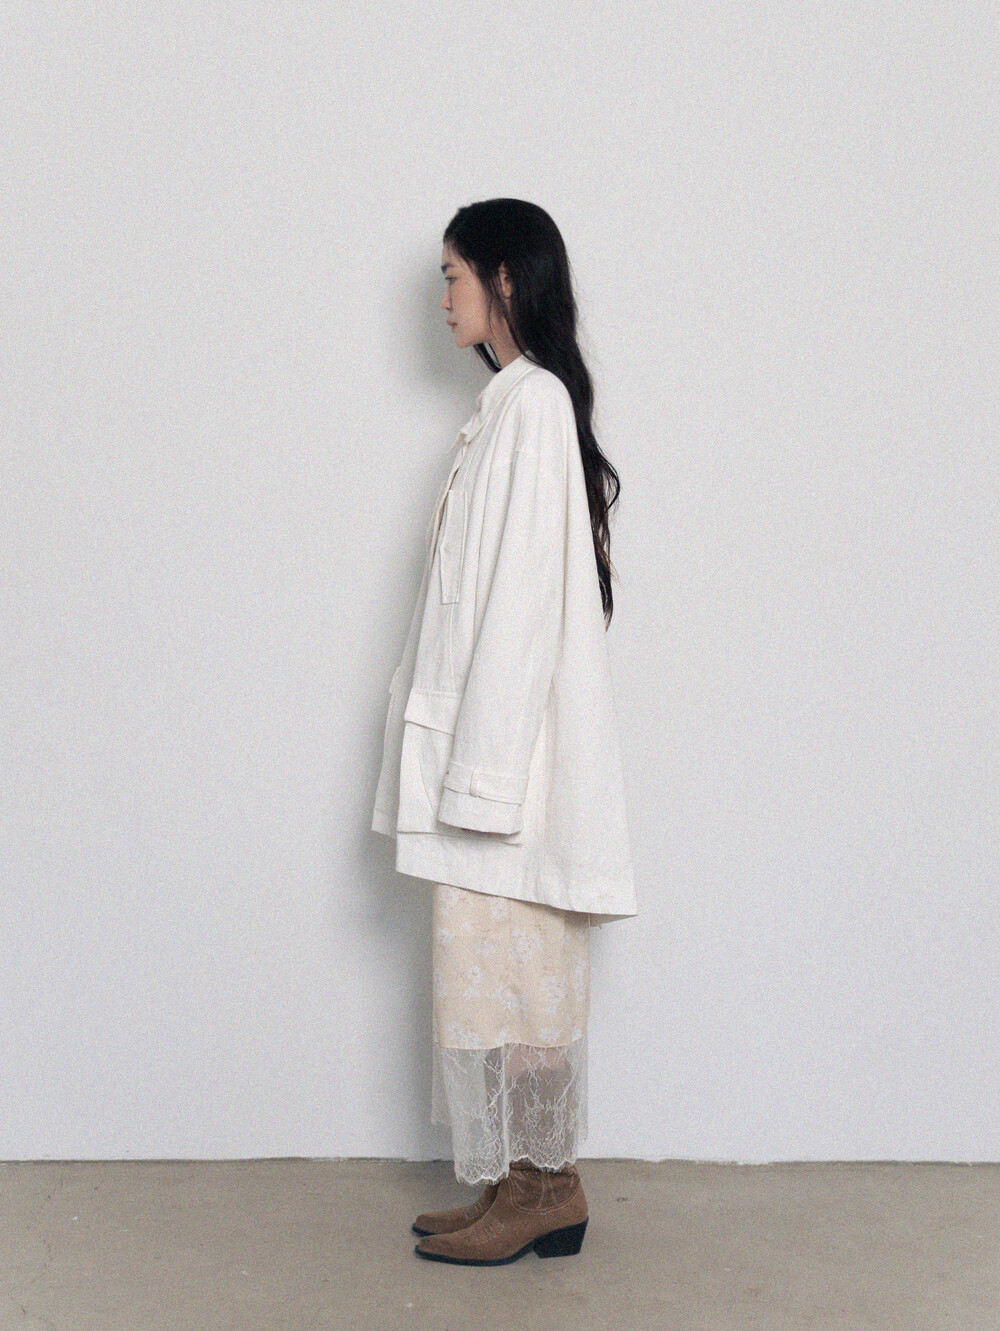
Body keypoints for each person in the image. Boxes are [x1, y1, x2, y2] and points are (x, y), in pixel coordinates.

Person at [371, 198, 637, 1266]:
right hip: (491, 764)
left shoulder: (530, 405)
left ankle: (547, 1187)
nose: (442, 297)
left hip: (506, 772)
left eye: (454, 275)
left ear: (506, 279)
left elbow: (521, 606)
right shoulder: (515, 404)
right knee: (499, 979)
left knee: (521, 981)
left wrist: (480, 777)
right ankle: (520, 1182)